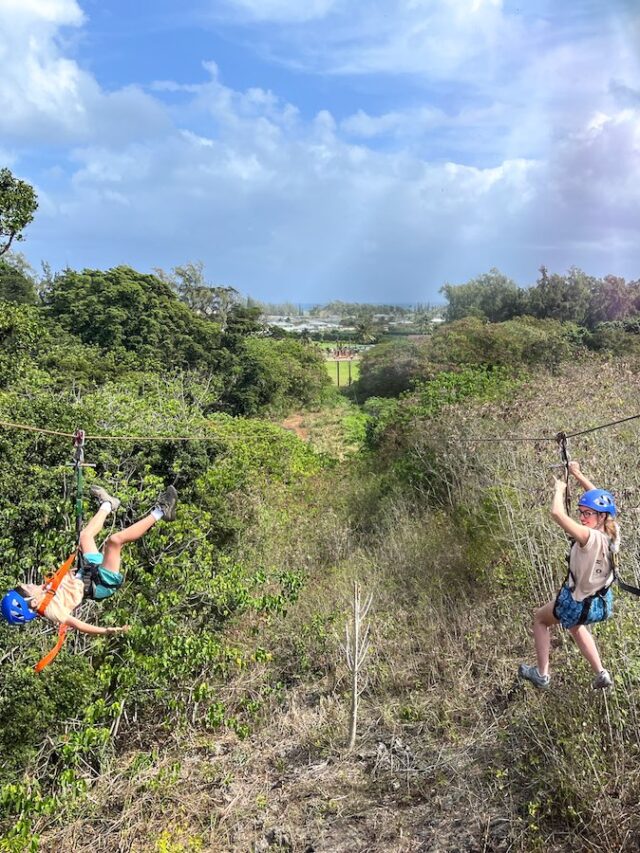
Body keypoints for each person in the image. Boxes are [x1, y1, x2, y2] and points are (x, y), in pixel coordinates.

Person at [0, 484, 178, 635]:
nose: (29, 584)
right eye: (27, 588)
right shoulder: (50, 610)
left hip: (87, 573)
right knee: (114, 541)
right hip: (101, 583)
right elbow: (78, 625)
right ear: (33, 601)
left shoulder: (45, 594)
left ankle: (108, 504)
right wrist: (107, 630)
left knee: (85, 536)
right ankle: (161, 511)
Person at [518, 461, 617, 690]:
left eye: (588, 514)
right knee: (575, 626)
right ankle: (601, 672)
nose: (582, 517)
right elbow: (600, 497)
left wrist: (559, 490)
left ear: (601, 516)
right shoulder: (613, 531)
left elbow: (556, 513)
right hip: (601, 605)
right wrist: (578, 474)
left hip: (577, 603)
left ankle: (542, 674)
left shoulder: (588, 537)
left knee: (540, 619)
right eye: (581, 513)